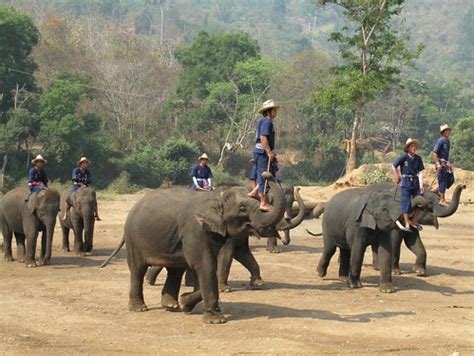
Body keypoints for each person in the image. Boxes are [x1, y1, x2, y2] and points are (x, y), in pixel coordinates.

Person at [250, 99, 279, 211]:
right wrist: (269, 152)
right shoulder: (267, 122)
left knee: (260, 174)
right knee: (264, 176)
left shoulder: (263, 121)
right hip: (262, 153)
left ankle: (255, 192)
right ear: (269, 111)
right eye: (275, 110)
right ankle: (263, 202)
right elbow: (263, 137)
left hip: (259, 151)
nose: (276, 112)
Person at [392, 138, 425, 232]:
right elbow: (393, 166)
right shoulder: (403, 157)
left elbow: (420, 172)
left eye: (415, 146)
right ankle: (407, 223)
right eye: (412, 146)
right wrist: (397, 176)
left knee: (421, 203)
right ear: (408, 148)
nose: (414, 147)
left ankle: (414, 221)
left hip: (415, 182)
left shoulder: (418, 158)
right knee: (405, 203)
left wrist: (421, 185)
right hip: (405, 181)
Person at [432, 124, 454, 207]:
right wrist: (437, 163)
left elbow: (447, 155)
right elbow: (434, 153)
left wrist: (449, 163)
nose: (449, 132)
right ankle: (442, 199)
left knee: (451, 179)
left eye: (449, 130)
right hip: (440, 163)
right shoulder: (440, 140)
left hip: (446, 164)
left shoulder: (447, 141)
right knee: (443, 181)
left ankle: (437, 189)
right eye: (447, 131)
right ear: (443, 132)